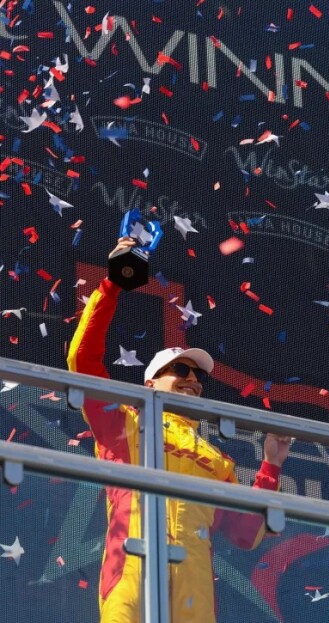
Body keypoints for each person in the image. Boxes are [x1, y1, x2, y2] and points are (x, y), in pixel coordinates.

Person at [67, 237, 293, 623]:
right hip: (132, 564)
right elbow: (82, 360)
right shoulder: (123, 420)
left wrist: (271, 465)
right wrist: (111, 286)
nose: (193, 380)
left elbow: (246, 534)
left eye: (199, 375)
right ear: (150, 383)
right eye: (182, 371)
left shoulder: (216, 459)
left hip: (195, 584)